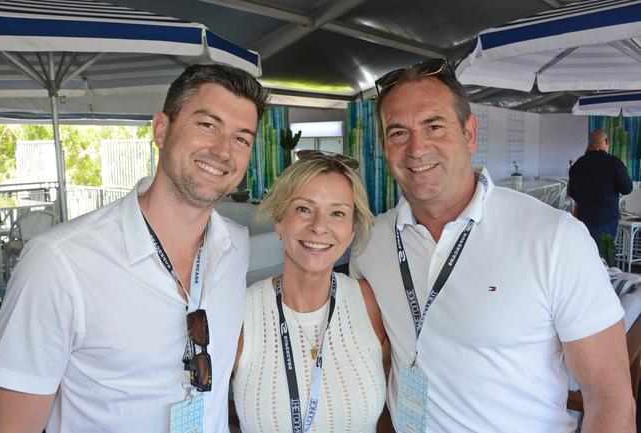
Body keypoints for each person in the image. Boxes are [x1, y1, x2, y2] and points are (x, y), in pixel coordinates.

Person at [350, 58, 635, 433]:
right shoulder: (370, 244)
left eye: (434, 126)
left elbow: (610, 400)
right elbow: (380, 365)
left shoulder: (554, 238)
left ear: (469, 134)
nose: (417, 148)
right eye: (398, 132)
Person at [0, 64, 267, 433]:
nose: (222, 150)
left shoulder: (235, 246)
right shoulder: (59, 263)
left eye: (241, 139)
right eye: (207, 125)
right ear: (161, 130)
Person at [232, 151, 388, 433]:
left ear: (352, 230)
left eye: (337, 213)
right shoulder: (240, 313)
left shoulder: (371, 304)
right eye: (304, 209)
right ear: (280, 220)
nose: (318, 226)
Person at [568, 130, 633, 253]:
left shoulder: (578, 163)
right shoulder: (614, 162)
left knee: (585, 253)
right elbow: (627, 189)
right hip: (607, 218)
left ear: (590, 144)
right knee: (604, 257)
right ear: (607, 141)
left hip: (583, 218)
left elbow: (572, 192)